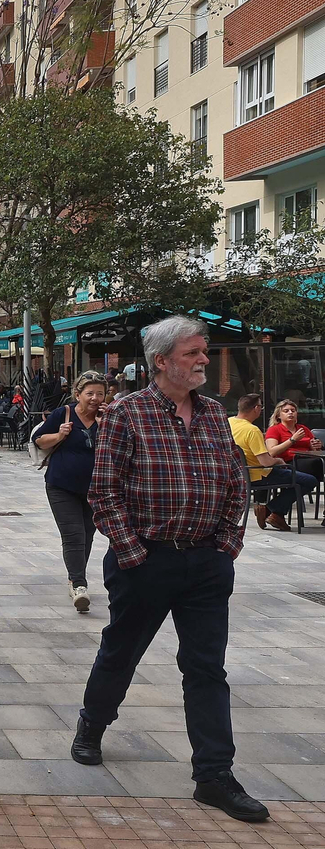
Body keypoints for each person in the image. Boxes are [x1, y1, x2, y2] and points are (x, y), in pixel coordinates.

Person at [72, 315, 266, 822]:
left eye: (204, 351)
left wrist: (226, 545)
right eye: (192, 353)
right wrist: (134, 555)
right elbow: (104, 493)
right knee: (122, 651)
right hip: (146, 560)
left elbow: (236, 483)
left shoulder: (214, 413)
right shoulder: (127, 413)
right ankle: (92, 724)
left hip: (206, 562)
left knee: (206, 668)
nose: (203, 360)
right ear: (161, 361)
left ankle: (214, 776)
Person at [34, 371, 107, 612]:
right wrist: (60, 434)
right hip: (61, 486)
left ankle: (74, 576)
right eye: (90, 393)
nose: (95, 398)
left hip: (95, 488)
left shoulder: (108, 418)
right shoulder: (62, 414)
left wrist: (105, 426)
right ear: (78, 394)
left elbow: (121, 447)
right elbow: (38, 440)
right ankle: (79, 585)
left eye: (100, 394)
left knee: (87, 534)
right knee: (74, 534)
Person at [230, 393, 293, 531]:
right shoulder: (252, 430)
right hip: (257, 475)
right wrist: (279, 461)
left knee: (294, 475)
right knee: (308, 480)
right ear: (256, 408)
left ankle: (274, 513)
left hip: (235, 474)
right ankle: (271, 510)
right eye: (261, 406)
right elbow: (265, 462)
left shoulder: (227, 423)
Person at [263, 398, 322, 528]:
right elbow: (272, 452)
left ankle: (273, 512)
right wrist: (292, 440)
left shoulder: (303, 428)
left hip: (309, 462)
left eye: (293, 410)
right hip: (287, 464)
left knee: (313, 474)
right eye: (286, 411)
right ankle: (273, 510)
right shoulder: (275, 430)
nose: (290, 413)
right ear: (279, 415)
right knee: (311, 478)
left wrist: (315, 446)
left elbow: (313, 449)